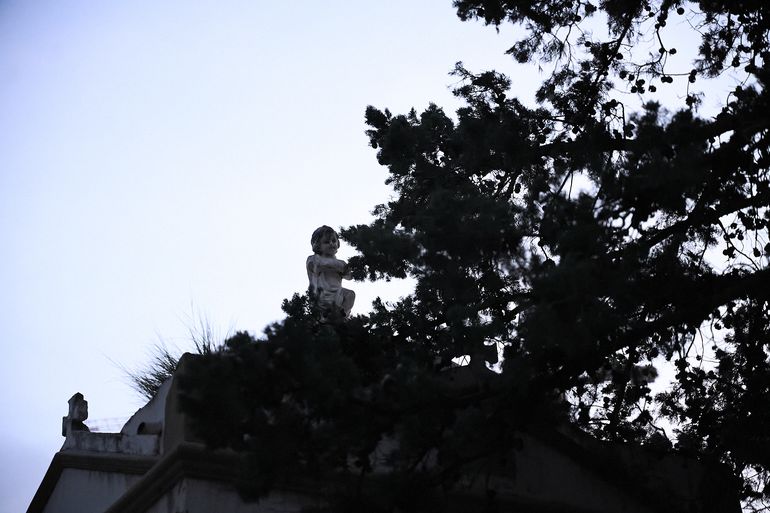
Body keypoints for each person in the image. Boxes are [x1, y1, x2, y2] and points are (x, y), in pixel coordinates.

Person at [307, 225, 355, 319]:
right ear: (317, 245)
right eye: (326, 242)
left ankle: (342, 316)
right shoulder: (313, 259)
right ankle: (327, 318)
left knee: (350, 295)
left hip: (338, 295)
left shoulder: (341, 263)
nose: (331, 244)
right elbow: (317, 266)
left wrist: (343, 268)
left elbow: (350, 276)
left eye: (334, 241)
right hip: (321, 295)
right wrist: (338, 267)